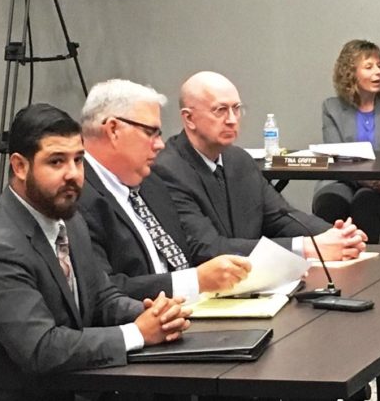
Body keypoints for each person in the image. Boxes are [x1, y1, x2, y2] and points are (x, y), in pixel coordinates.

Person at [0, 103, 191, 401]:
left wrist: (152, 314)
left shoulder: (69, 218)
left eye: (79, 160)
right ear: (20, 166)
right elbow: (41, 348)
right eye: (56, 162)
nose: (73, 174)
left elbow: (101, 298)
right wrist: (137, 333)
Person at [153, 71, 368, 263]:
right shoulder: (168, 170)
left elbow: (281, 216)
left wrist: (339, 235)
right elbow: (208, 249)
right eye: (220, 110)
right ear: (189, 118)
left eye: (236, 109)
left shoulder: (239, 159)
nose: (231, 120)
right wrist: (306, 248)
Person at [77, 78, 253, 302]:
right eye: (151, 132)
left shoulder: (153, 184)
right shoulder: (77, 196)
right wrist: (195, 281)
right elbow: (103, 291)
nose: (160, 144)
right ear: (113, 129)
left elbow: (189, 254)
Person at [311, 39, 380, 240]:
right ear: (350, 73)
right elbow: (334, 156)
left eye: (379, 66)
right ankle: (331, 263)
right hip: (343, 180)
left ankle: (368, 266)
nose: (378, 72)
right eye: (369, 67)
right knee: (330, 203)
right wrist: (365, 180)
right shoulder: (332, 108)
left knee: (365, 203)